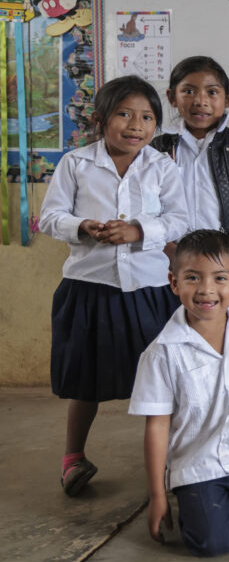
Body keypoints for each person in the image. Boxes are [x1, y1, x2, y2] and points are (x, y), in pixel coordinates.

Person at [38, 75, 188, 495]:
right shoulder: (76, 163)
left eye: (147, 117)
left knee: (162, 379)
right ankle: (73, 458)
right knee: (85, 378)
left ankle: (174, 460)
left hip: (149, 289)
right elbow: (49, 217)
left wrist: (140, 230)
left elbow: (180, 218)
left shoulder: (162, 166)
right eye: (124, 114)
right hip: (89, 287)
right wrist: (82, 226)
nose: (136, 125)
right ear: (101, 119)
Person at [128, 230, 229, 557]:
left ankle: (228, 509)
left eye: (220, 278)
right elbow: (156, 426)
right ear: (174, 282)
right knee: (213, 544)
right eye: (192, 277)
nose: (206, 289)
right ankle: (202, 507)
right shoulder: (162, 353)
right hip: (198, 464)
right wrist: (157, 496)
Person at [152, 56, 229, 311]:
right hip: (172, 260)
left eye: (212, 92)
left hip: (226, 262)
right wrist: (165, 247)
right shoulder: (159, 146)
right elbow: (145, 202)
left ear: (228, 98)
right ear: (172, 97)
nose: (200, 101)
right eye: (188, 91)